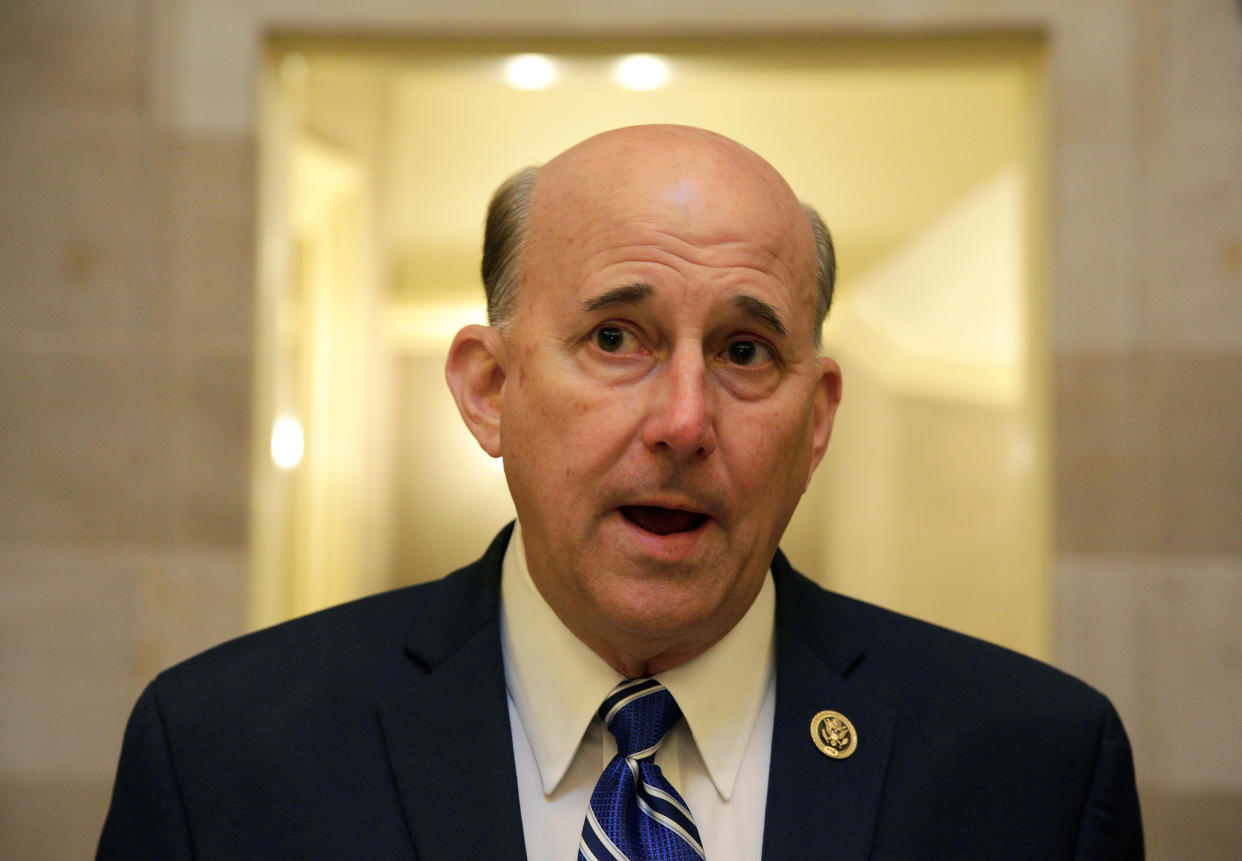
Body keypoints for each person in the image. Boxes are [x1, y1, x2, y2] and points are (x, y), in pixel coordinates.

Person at [98, 125, 1143, 859]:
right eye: (614, 338)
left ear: (816, 417)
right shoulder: (225, 758)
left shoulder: (1033, 771)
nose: (685, 423)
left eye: (744, 350)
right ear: (490, 389)